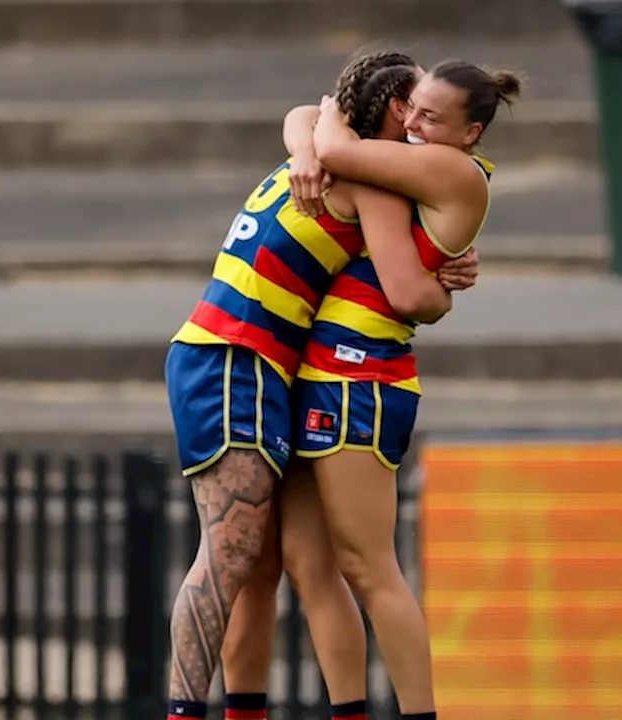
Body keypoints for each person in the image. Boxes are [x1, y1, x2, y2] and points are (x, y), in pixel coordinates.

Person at [162, 49, 479, 720]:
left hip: (278, 366)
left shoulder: (332, 161)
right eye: (413, 114)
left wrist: (310, 143)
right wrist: (439, 289)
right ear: (393, 112)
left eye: (435, 116)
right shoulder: (367, 177)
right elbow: (405, 289)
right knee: (236, 553)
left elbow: (313, 114)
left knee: (280, 569)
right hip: (237, 354)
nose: (419, 131)